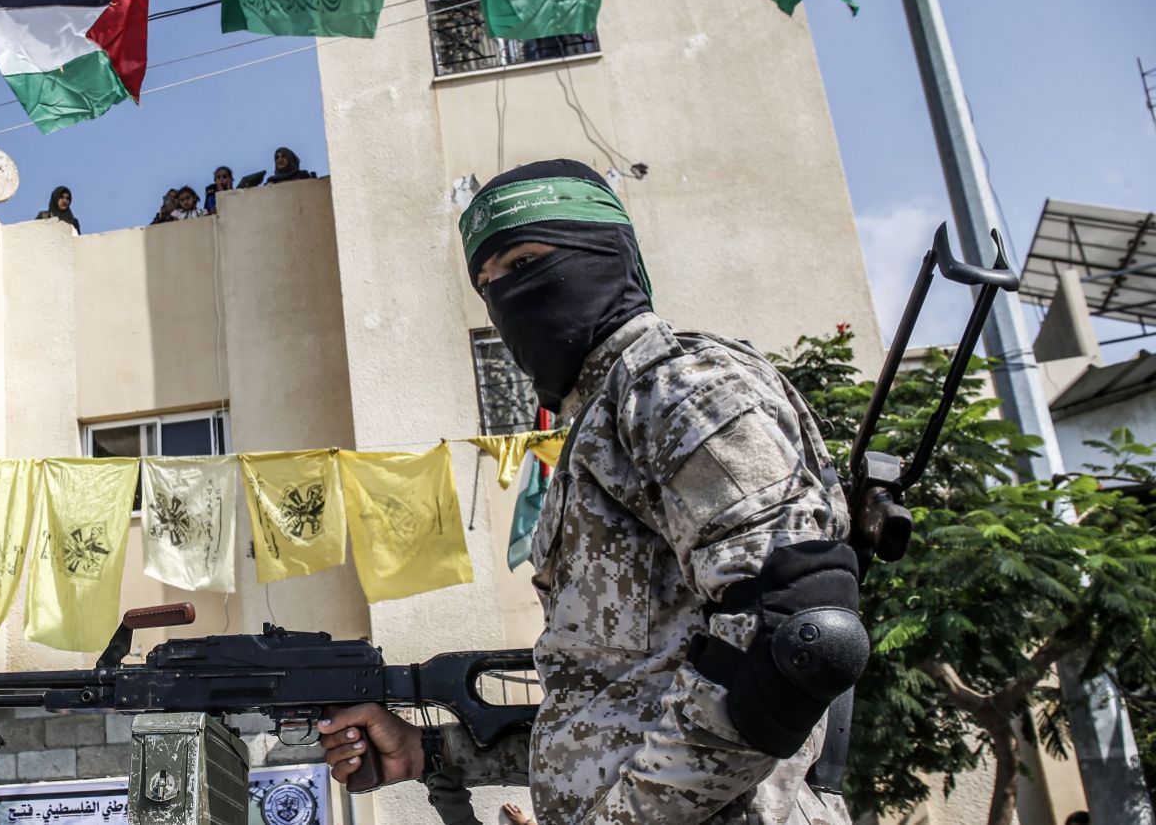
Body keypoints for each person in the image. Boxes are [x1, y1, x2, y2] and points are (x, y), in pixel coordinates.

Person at [315, 159, 860, 825]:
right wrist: (429, 752)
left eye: (524, 263)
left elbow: (798, 633)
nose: (506, 297)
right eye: (487, 285)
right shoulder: (594, 432)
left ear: (607, 254)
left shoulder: (675, 386)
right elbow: (616, 705)